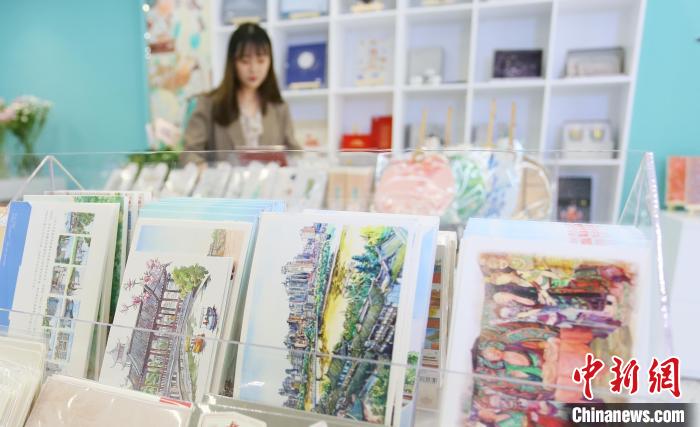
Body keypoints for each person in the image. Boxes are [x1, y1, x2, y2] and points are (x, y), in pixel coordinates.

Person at [183, 23, 300, 163]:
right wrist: (201, 167)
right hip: (223, 177)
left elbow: (294, 153)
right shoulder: (208, 104)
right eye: (245, 61)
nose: (253, 69)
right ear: (233, 62)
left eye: (261, 61)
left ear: (270, 62)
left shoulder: (279, 107)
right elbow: (189, 154)